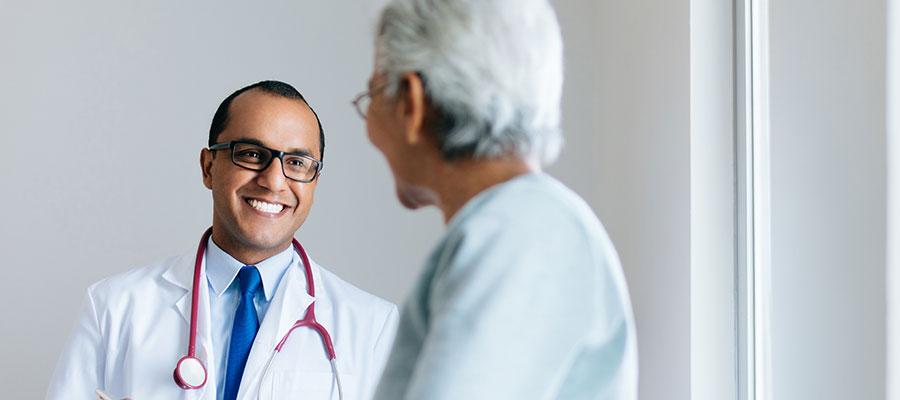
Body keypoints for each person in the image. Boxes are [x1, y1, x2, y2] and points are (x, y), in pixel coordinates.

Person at [353, 0, 638, 398]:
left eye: (373, 94)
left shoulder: (524, 232)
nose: (368, 124)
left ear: (412, 103)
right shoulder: (519, 226)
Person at [48, 80, 399, 400]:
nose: (274, 181)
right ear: (208, 167)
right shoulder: (113, 307)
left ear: (314, 183)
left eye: (296, 162)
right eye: (251, 154)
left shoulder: (372, 326)